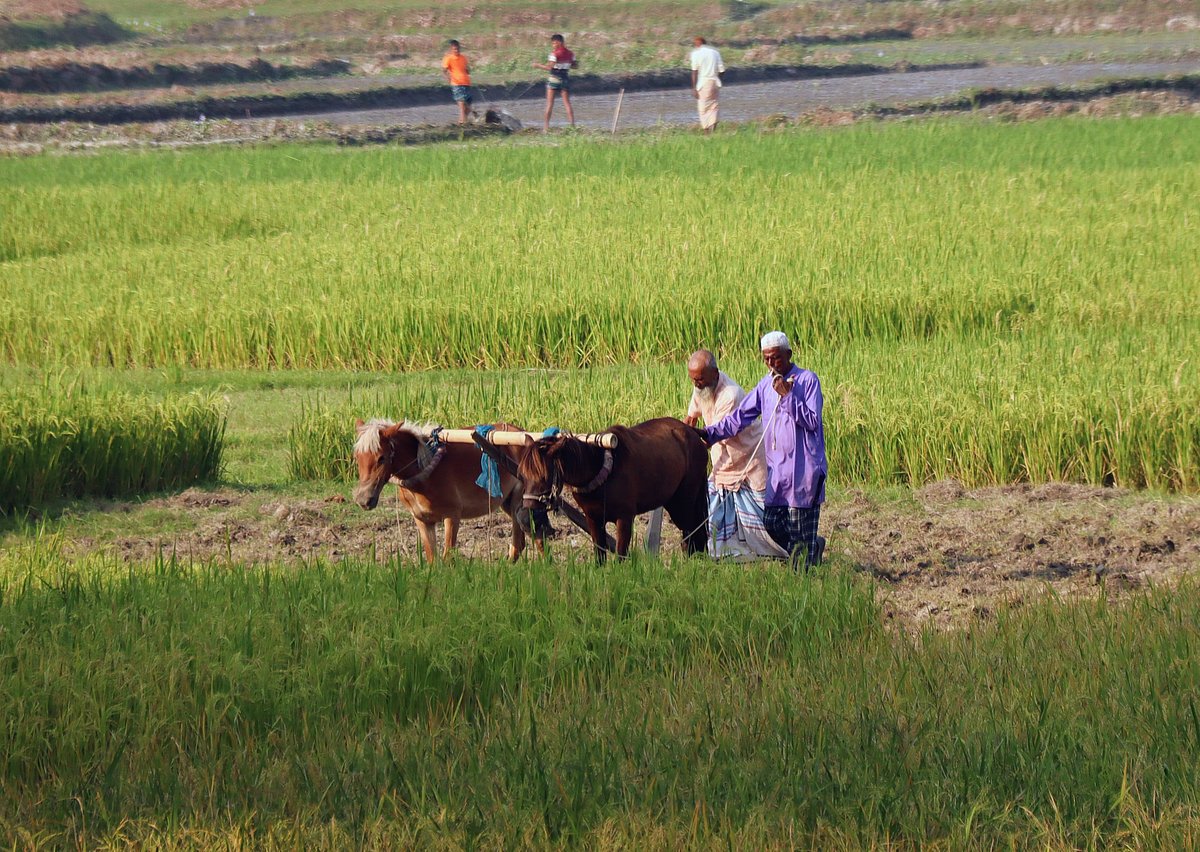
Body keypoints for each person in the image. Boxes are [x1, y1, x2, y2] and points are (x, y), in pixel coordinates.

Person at [701, 332, 827, 569]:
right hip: (778, 474)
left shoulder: (807, 380)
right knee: (771, 522)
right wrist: (710, 433)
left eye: (776, 358)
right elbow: (739, 418)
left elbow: (812, 421)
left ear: (788, 355)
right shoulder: (765, 386)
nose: (771, 364)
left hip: (803, 472)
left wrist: (788, 396)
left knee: (801, 534)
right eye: (766, 359)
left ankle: (804, 576)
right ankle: (812, 549)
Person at [684, 350, 788, 561]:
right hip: (722, 459)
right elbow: (691, 418)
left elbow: (716, 433)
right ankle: (725, 549)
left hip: (747, 458)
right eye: (693, 379)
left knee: (763, 512)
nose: (696, 384)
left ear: (714, 373)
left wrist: (688, 452)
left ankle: (785, 549)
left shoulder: (729, 395)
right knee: (714, 505)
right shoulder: (701, 388)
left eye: (700, 378)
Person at [533, 34, 576, 132]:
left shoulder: (554, 54)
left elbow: (549, 67)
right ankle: (572, 126)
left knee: (549, 104)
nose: (553, 45)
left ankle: (546, 127)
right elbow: (575, 66)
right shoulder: (571, 53)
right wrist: (566, 65)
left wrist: (537, 65)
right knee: (567, 103)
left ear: (559, 42)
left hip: (554, 79)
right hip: (565, 79)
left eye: (554, 43)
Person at [689, 36, 725, 134]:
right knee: (714, 106)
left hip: (703, 83)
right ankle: (713, 130)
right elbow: (722, 70)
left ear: (698, 44)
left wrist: (694, 88)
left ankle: (706, 132)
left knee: (703, 108)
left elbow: (694, 72)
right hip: (715, 82)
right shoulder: (715, 53)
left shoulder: (696, 54)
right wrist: (717, 78)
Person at [441, 39, 475, 125]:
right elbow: (444, 70)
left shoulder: (463, 58)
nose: (457, 50)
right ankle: (463, 122)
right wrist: (449, 79)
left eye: (458, 48)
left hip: (466, 83)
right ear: (451, 49)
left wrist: (468, 70)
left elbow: (467, 70)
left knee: (468, 105)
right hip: (456, 84)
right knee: (461, 103)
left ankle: (462, 121)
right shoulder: (448, 58)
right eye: (455, 49)